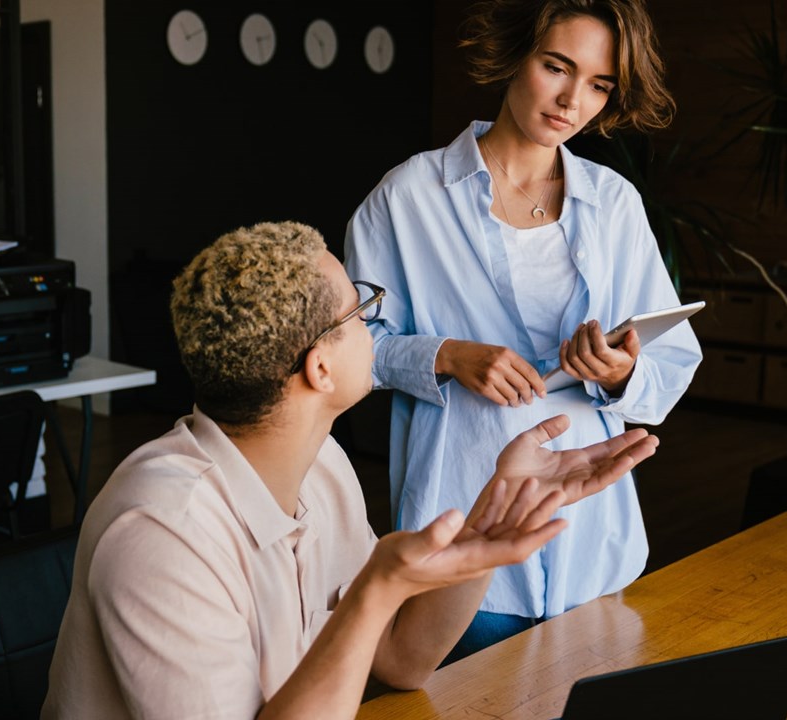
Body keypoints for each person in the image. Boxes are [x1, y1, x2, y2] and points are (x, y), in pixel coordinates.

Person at [43, 222, 660, 719]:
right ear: (320, 369)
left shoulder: (319, 465)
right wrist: (376, 590)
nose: (373, 322)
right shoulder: (164, 534)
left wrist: (492, 521)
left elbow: (401, 660)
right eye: (362, 310)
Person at [344, 0, 702, 661]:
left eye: (599, 85)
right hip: (460, 514)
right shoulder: (407, 198)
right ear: (515, 55)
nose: (573, 100)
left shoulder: (614, 203)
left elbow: (671, 361)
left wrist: (620, 372)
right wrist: (446, 355)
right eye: (556, 67)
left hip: (589, 531)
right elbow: (349, 353)